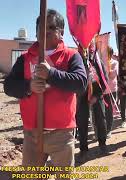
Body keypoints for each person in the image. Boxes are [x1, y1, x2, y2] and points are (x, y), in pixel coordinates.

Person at [4, 9, 87, 176]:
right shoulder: (25, 58)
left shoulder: (72, 56)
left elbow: (81, 83)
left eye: (51, 27)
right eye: (40, 28)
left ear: (61, 32)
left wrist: (51, 74)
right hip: (32, 135)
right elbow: (9, 86)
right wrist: (28, 86)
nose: (45, 31)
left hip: (62, 135)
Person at [76, 42, 109, 156]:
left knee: (100, 118)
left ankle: (102, 144)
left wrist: (96, 95)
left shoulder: (98, 63)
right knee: (82, 120)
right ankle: (83, 148)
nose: (87, 52)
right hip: (82, 94)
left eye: (89, 48)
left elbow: (105, 80)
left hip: (97, 93)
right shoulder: (76, 61)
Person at [104, 48, 119, 137]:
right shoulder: (101, 61)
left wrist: (107, 69)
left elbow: (113, 75)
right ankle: (103, 129)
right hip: (102, 90)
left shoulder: (115, 62)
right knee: (103, 111)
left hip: (112, 89)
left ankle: (109, 130)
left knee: (109, 111)